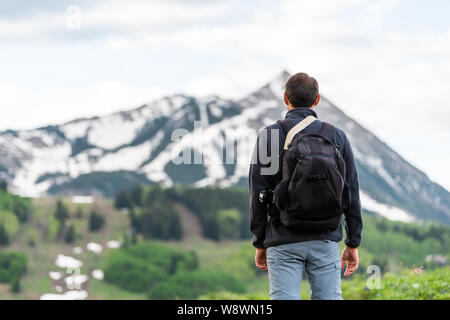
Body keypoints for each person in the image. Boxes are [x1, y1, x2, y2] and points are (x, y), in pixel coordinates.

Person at [249, 72, 362, 300]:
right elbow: (350, 191)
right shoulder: (336, 136)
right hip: (325, 237)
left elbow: (258, 192)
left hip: (282, 237)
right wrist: (352, 242)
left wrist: (260, 242)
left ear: (285, 98)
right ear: (317, 99)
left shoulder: (269, 136)